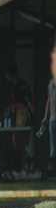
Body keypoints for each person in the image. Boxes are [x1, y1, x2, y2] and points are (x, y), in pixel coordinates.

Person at [39, 44, 56, 174]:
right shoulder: (51, 83)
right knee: (53, 145)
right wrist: (45, 116)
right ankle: (52, 169)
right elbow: (49, 100)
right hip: (52, 119)